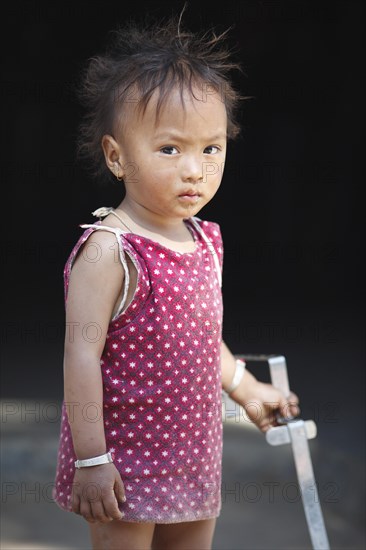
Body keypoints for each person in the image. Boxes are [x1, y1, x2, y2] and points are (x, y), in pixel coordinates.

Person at [52, 11, 299, 550]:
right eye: (170, 149)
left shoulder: (205, 240)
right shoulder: (110, 249)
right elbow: (80, 357)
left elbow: (200, 338)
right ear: (117, 156)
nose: (195, 169)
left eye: (211, 148)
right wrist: (93, 460)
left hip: (192, 451)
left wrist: (244, 387)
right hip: (124, 456)